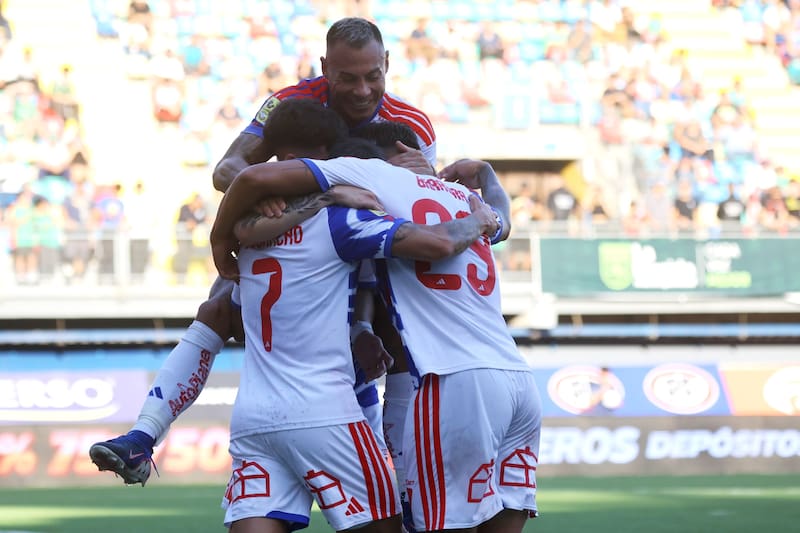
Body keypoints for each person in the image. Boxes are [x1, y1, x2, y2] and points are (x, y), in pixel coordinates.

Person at [211, 133, 542, 533]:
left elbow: (251, 179)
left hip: (455, 378)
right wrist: (487, 176)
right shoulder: (457, 198)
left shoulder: (368, 176)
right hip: (517, 379)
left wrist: (220, 239)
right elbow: (499, 224)